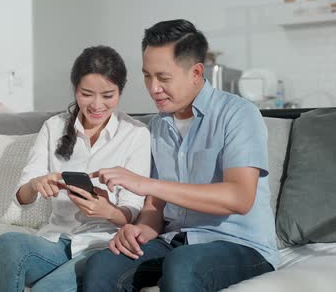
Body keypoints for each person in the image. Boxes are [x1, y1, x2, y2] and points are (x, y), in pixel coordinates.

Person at [82, 20, 279, 292]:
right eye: (147, 76)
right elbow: (155, 206)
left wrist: (146, 183)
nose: (153, 88)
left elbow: (239, 197)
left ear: (196, 72)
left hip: (240, 243)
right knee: (103, 265)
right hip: (175, 241)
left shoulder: (238, 114)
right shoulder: (158, 125)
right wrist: (140, 230)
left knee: (182, 264)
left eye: (163, 78)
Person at [0, 46, 151, 292]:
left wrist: (107, 211)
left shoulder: (136, 134)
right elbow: (22, 197)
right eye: (87, 94)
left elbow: (134, 210)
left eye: (107, 95)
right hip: (55, 241)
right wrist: (35, 184)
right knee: (5, 245)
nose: (96, 105)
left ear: (120, 92)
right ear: (75, 90)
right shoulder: (54, 127)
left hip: (103, 246)